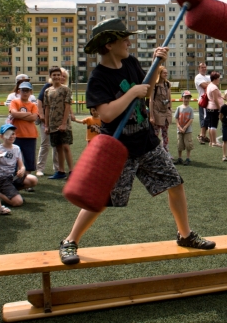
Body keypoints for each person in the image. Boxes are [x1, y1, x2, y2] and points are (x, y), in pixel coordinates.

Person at [57, 19, 215, 266]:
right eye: (124, 39)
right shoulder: (98, 77)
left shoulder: (130, 63)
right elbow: (106, 114)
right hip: (118, 148)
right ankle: (69, 241)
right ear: (109, 45)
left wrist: (157, 65)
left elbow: (147, 92)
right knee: (100, 199)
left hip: (147, 141)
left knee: (175, 183)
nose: (129, 43)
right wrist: (131, 93)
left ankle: (185, 235)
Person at [0, 124, 38, 207]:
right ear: (1, 136)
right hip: (1, 179)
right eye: (8, 134)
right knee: (18, 202)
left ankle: (10, 192)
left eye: (13, 133)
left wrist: (22, 170)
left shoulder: (16, 148)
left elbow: (22, 165)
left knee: (33, 180)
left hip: (12, 177)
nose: (12, 136)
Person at [44, 66, 74, 180]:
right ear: (50, 76)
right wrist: (46, 125)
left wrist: (64, 123)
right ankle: (60, 171)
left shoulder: (66, 90)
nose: (56, 77)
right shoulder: (48, 91)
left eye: (58, 75)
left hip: (64, 124)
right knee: (58, 148)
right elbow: (47, 108)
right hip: (52, 124)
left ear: (61, 76)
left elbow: (67, 107)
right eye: (54, 75)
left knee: (66, 146)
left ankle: (72, 171)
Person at [9, 81, 38, 175]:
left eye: (27, 91)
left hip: (30, 135)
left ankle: (27, 178)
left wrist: (19, 115)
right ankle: (13, 179)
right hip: (16, 135)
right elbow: (13, 113)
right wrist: (28, 114)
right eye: (23, 90)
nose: (25, 93)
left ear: (31, 92)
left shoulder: (33, 105)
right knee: (14, 157)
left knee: (29, 158)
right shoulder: (14, 102)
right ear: (18, 91)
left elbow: (34, 117)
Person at [149, 67, 172, 153]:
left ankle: (166, 152)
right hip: (157, 112)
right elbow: (151, 101)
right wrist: (151, 116)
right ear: (159, 74)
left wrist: (170, 110)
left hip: (165, 112)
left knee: (165, 133)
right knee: (155, 134)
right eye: (164, 73)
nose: (166, 74)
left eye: (166, 72)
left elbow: (169, 98)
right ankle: (154, 152)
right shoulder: (154, 85)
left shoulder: (167, 84)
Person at [175, 91, 195, 165]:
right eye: (185, 98)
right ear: (182, 98)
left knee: (188, 144)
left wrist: (185, 127)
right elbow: (176, 118)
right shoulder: (178, 108)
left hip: (188, 130)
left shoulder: (190, 109)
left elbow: (191, 119)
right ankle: (180, 158)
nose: (186, 99)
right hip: (179, 130)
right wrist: (179, 127)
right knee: (179, 144)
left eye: (188, 98)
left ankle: (188, 158)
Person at [205, 71, 223, 148]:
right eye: (219, 78)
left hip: (209, 107)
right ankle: (214, 142)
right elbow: (215, 99)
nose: (219, 80)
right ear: (215, 79)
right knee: (214, 126)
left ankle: (212, 141)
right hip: (214, 108)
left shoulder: (210, 85)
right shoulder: (214, 87)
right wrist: (220, 109)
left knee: (210, 125)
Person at [194, 62, 211, 145]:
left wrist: (210, 84)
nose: (204, 69)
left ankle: (204, 135)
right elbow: (206, 86)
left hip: (209, 100)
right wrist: (210, 84)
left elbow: (215, 84)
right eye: (202, 67)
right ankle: (201, 135)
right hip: (203, 100)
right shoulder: (198, 77)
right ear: (199, 68)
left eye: (205, 67)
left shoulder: (206, 77)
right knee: (204, 118)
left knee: (207, 118)